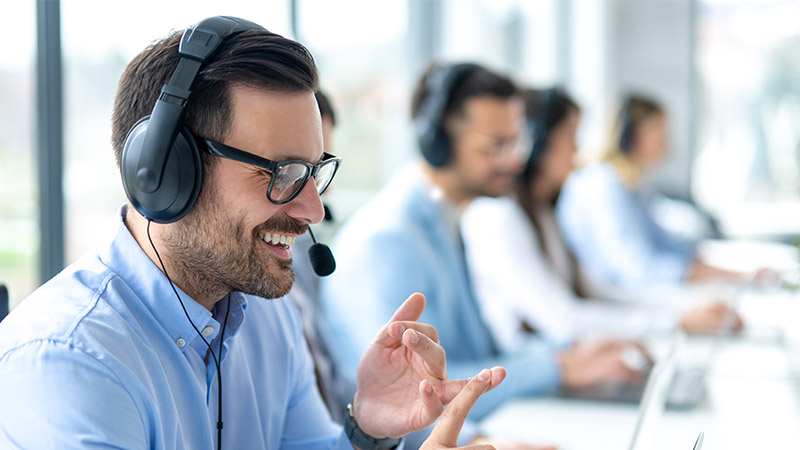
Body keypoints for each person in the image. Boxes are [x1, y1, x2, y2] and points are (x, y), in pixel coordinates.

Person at [0, 17, 505, 450]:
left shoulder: (267, 315)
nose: (313, 209)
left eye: (313, 171)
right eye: (281, 172)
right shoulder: (69, 363)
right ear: (168, 173)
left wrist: (365, 430)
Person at [319, 63, 646, 449]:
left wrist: (567, 356)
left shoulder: (448, 221)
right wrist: (555, 369)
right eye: (495, 145)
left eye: (517, 143)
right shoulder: (388, 241)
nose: (514, 160)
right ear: (437, 142)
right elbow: (410, 395)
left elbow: (477, 353)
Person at [461, 87, 743, 350]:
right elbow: (563, 321)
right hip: (533, 382)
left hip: (573, 362)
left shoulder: (543, 212)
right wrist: (675, 321)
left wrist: (684, 310)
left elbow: (599, 290)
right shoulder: (499, 218)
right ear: (538, 141)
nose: (577, 151)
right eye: (569, 137)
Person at [556, 93, 773, 290]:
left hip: (630, 298)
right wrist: (737, 275)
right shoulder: (604, 187)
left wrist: (734, 270)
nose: (668, 144)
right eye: (660, 132)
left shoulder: (632, 185)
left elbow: (664, 243)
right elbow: (639, 269)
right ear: (630, 137)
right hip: (616, 303)